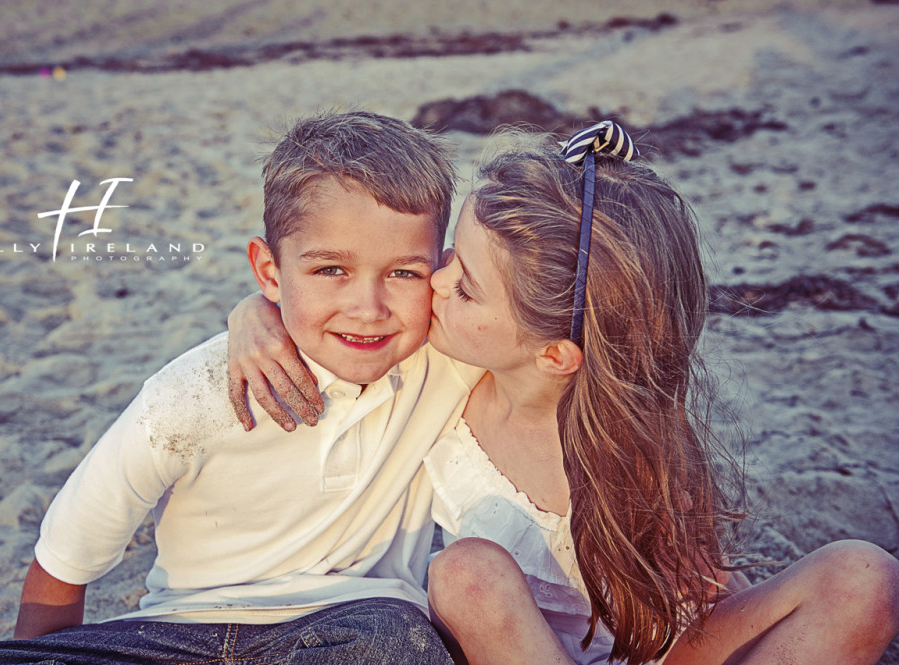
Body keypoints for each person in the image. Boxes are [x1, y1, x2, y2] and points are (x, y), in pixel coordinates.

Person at [225, 122, 899, 665]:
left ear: (553, 354)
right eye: (447, 258)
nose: (432, 282)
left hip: (650, 651)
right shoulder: (436, 367)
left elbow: (697, 604)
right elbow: (331, 314)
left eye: (463, 285)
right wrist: (252, 314)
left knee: (862, 574)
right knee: (467, 573)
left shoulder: (632, 440)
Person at [0, 111, 479, 665]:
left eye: (403, 274)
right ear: (269, 273)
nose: (368, 309)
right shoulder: (192, 392)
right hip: (174, 633)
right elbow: (64, 559)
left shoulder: (447, 361)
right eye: (330, 271)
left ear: (443, 272)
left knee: (394, 639)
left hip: (350, 628)